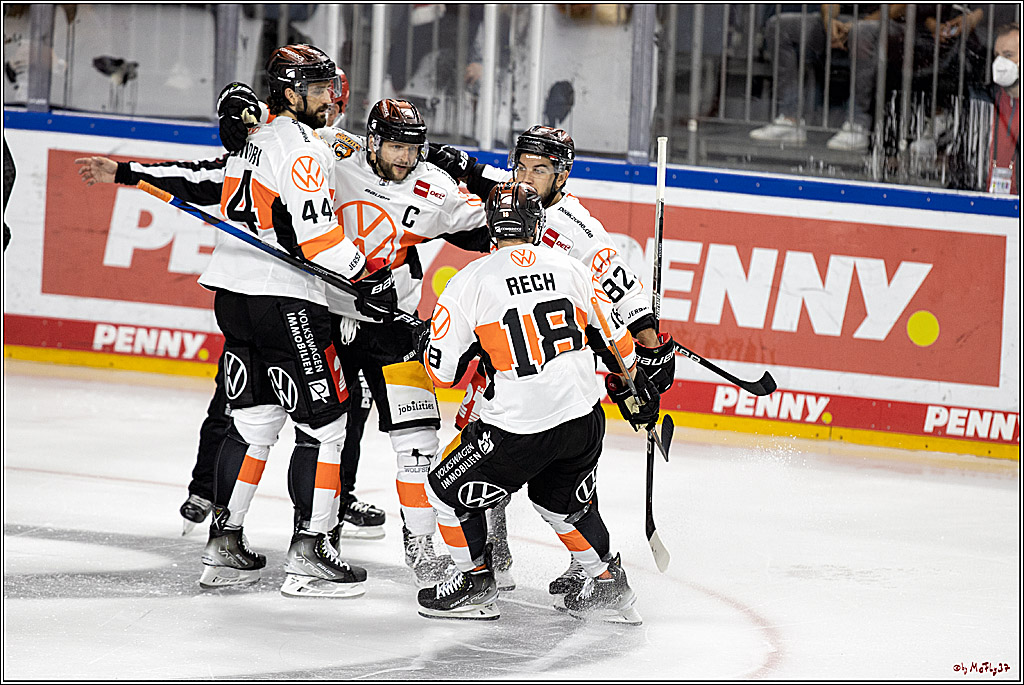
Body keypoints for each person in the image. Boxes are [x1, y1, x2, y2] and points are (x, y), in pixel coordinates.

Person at [78, 44, 398, 598]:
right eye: (320, 89)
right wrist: (368, 281)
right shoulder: (300, 149)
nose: (330, 98)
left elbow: (208, 184)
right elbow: (319, 238)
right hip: (286, 302)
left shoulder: (258, 139)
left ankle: (224, 545)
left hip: (233, 295)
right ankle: (312, 553)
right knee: (328, 428)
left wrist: (128, 173)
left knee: (253, 425)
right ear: (292, 92)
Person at [218, 86, 493, 585]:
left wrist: (476, 171)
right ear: (371, 141)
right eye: (396, 147)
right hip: (325, 316)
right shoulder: (331, 150)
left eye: (414, 148)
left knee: (419, 441)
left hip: (392, 325)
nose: (405, 159)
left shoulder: (434, 186)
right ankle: (318, 534)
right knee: (324, 433)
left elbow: (504, 221)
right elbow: (270, 142)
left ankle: (421, 541)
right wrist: (239, 116)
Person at [426, 126, 675, 595]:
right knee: (486, 443)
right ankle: (496, 551)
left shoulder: (582, 232)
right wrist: (457, 163)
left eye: (538, 169)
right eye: (520, 166)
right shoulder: (518, 196)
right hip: (508, 353)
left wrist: (649, 349)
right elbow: (490, 181)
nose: (524, 177)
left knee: (544, 465)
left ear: (562, 175)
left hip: (560, 357)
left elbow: (624, 293)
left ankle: (581, 563)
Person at [748, 4, 907, 151]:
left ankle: (858, 124)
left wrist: (859, 24)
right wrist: (829, 22)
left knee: (862, 32)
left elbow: (900, 6)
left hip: (891, 24)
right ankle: (790, 121)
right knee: (779, 26)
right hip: (847, 22)